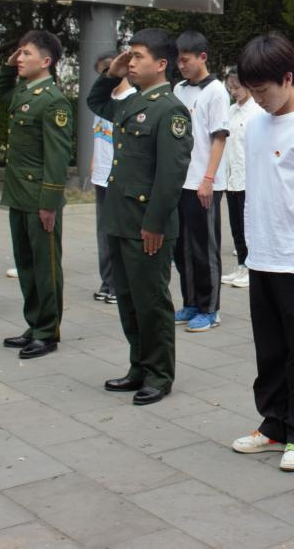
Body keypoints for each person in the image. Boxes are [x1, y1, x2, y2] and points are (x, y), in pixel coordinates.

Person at [230, 33, 294, 472]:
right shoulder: (257, 124)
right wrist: (250, 250)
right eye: (252, 90)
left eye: (263, 90)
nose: (257, 99)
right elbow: (255, 191)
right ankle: (273, 424)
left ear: (288, 79)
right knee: (269, 349)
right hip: (263, 257)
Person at [87, 29, 193, 405]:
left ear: (162, 64)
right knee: (129, 300)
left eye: (138, 56)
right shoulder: (132, 102)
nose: (130, 62)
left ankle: (159, 374)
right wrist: (112, 73)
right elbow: (96, 102)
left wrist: (154, 224)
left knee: (151, 303)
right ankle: (139, 366)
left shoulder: (171, 110)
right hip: (121, 219)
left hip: (148, 225)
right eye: (129, 55)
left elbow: (171, 175)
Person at [0, 30, 74, 360]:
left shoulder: (53, 100)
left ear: (46, 61)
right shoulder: (25, 92)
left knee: (45, 267)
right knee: (26, 264)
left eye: (26, 53)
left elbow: (57, 156)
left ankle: (47, 331)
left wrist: (50, 202)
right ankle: (34, 323)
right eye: (19, 52)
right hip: (18, 193)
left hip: (39, 196)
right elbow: (3, 94)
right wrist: (8, 65)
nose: (20, 58)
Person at [173, 31, 229, 333]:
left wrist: (208, 178)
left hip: (203, 183)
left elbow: (219, 137)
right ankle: (191, 302)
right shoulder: (179, 89)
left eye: (186, 60)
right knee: (182, 248)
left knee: (204, 248)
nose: (181, 65)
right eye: (178, 60)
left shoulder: (216, 91)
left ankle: (210, 309)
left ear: (202, 57)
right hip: (180, 182)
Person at [90, 51, 136, 305]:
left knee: (118, 234)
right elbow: (98, 137)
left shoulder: (131, 100)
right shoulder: (104, 101)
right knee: (103, 233)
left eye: (107, 71)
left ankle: (119, 284)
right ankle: (107, 281)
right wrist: (94, 166)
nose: (105, 76)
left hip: (119, 179)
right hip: (101, 176)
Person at [221, 66, 264, 289]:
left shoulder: (257, 111)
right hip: (232, 178)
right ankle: (240, 264)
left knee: (249, 226)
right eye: (230, 88)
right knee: (236, 225)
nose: (234, 91)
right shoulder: (230, 111)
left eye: (237, 87)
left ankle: (251, 267)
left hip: (249, 179)